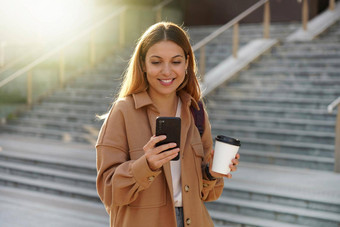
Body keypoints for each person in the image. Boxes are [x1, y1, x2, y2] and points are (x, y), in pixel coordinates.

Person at [96, 21, 240, 227]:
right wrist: (147, 165)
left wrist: (212, 173)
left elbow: (207, 194)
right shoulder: (122, 111)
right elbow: (108, 191)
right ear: (143, 64)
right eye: (156, 62)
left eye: (176, 61)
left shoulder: (196, 111)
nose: (166, 71)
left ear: (187, 63)